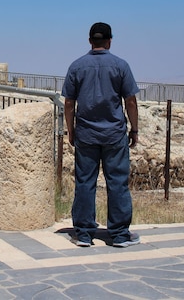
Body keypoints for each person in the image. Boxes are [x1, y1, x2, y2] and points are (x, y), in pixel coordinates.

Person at [62, 22, 140, 248]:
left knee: (85, 182)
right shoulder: (120, 65)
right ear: (109, 41)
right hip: (114, 134)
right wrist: (134, 129)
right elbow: (131, 101)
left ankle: (84, 233)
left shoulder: (77, 66)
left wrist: (71, 129)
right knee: (117, 183)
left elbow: (69, 102)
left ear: (89, 41)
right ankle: (119, 234)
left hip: (86, 133)